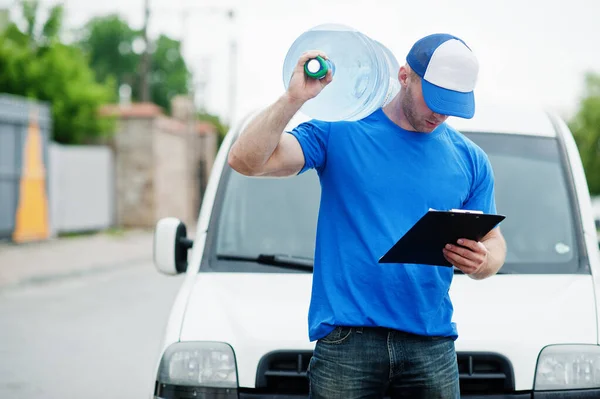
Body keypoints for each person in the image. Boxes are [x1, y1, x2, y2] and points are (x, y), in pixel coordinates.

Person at [228, 33, 507, 399]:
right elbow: (246, 161)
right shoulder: (339, 127)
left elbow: (493, 241)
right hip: (348, 341)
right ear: (405, 76)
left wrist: (483, 262)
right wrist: (293, 99)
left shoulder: (470, 159)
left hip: (431, 342)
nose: (440, 113)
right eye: (434, 99)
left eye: (452, 104)